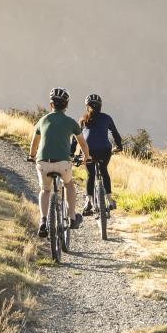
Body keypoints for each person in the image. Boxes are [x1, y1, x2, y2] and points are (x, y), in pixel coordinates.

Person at [28, 87, 91, 238]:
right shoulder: (71, 122)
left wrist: (31, 156)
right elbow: (82, 144)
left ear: (51, 105)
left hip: (43, 163)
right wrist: (86, 157)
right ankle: (72, 218)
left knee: (45, 190)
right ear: (66, 105)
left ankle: (43, 221)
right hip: (63, 163)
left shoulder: (42, 120)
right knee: (69, 184)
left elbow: (34, 144)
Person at [77, 92, 123, 215]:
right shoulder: (107, 117)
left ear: (87, 107)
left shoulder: (82, 119)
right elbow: (115, 134)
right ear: (100, 106)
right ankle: (109, 200)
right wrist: (119, 147)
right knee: (104, 170)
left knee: (90, 175)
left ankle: (88, 202)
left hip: (88, 152)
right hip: (104, 151)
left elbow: (75, 138)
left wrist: (72, 153)